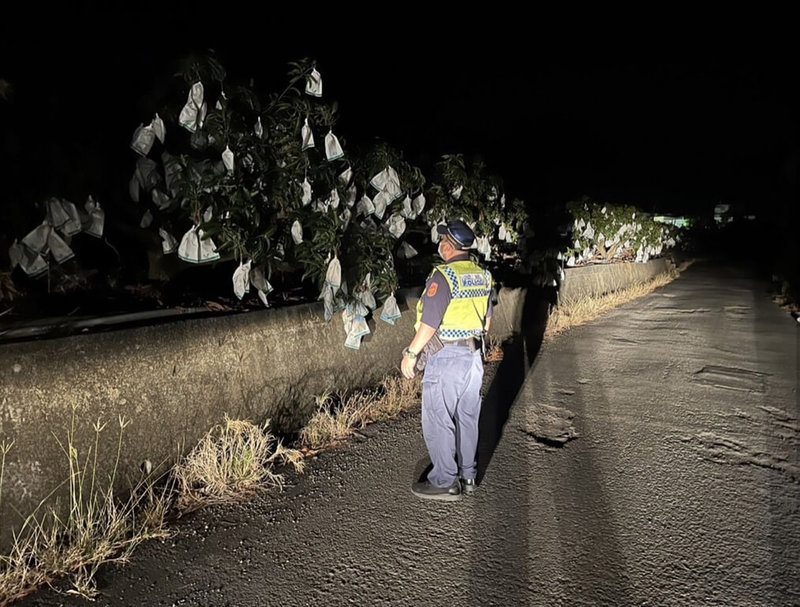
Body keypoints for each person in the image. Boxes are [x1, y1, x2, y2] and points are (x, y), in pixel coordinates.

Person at [401, 219, 494, 501]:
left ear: (449, 245)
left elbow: (429, 324)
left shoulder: (443, 277)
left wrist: (411, 354)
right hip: (474, 357)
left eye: (442, 240)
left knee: (438, 419)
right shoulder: (483, 276)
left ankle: (444, 481)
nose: (439, 244)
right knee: (467, 417)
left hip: (447, 358)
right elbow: (487, 323)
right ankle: (468, 475)